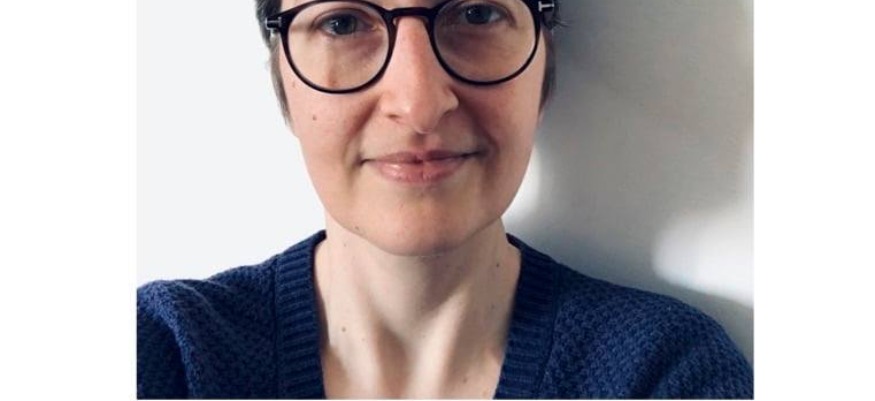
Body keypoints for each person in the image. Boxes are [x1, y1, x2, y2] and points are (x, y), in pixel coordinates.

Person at [137, 0, 753, 398]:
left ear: (545, 70)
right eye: (343, 23)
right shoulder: (166, 353)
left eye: (477, 14)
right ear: (283, 83)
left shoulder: (661, 373)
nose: (419, 103)